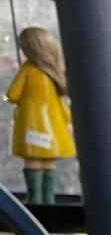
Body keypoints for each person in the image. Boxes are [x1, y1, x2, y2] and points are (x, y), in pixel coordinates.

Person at [5, 27, 75, 206]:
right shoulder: (54, 72)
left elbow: (13, 94)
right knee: (48, 163)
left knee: (33, 160)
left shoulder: (28, 70)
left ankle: (35, 198)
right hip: (54, 126)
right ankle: (48, 199)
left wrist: (4, 97)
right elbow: (61, 101)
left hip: (32, 125)